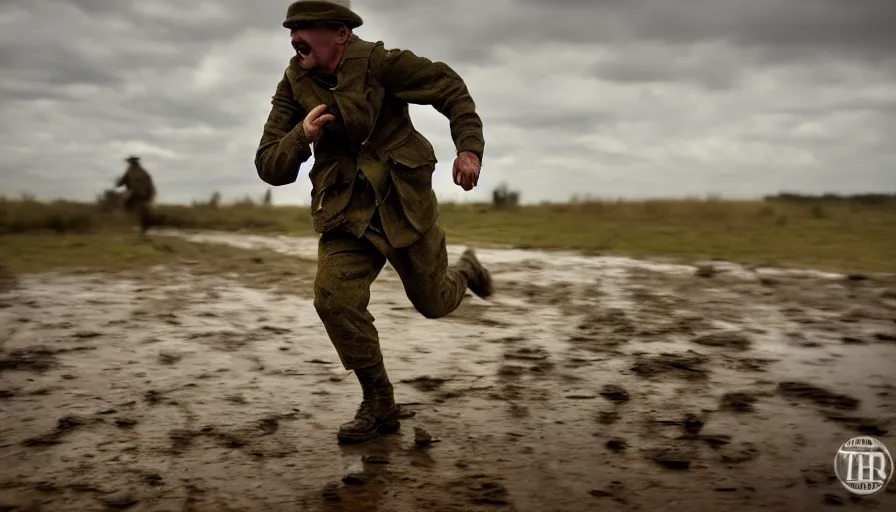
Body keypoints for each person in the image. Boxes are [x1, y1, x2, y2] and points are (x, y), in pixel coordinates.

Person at [255, 0, 494, 444]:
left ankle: (466, 272)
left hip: (404, 204)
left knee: (435, 303)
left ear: (341, 34)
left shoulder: (383, 64)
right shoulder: (293, 84)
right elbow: (269, 164)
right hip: (346, 212)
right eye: (291, 28)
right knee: (332, 298)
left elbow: (450, 88)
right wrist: (300, 137)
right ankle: (379, 399)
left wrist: (469, 149)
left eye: (306, 28)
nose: (293, 37)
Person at [115, 156, 156, 234]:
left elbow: (123, 181)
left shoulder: (132, 171)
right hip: (143, 194)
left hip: (135, 193)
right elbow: (149, 184)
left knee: (126, 205)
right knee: (141, 211)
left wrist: (118, 183)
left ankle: (137, 224)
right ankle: (142, 225)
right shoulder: (143, 172)